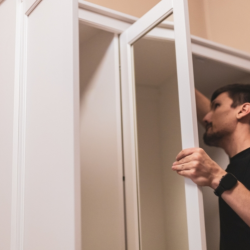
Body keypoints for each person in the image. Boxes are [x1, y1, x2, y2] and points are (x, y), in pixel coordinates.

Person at [172, 83, 250, 250]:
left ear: (243, 110)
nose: (206, 118)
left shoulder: (226, 174)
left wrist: (216, 176)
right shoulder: (236, 165)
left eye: (216, 106)